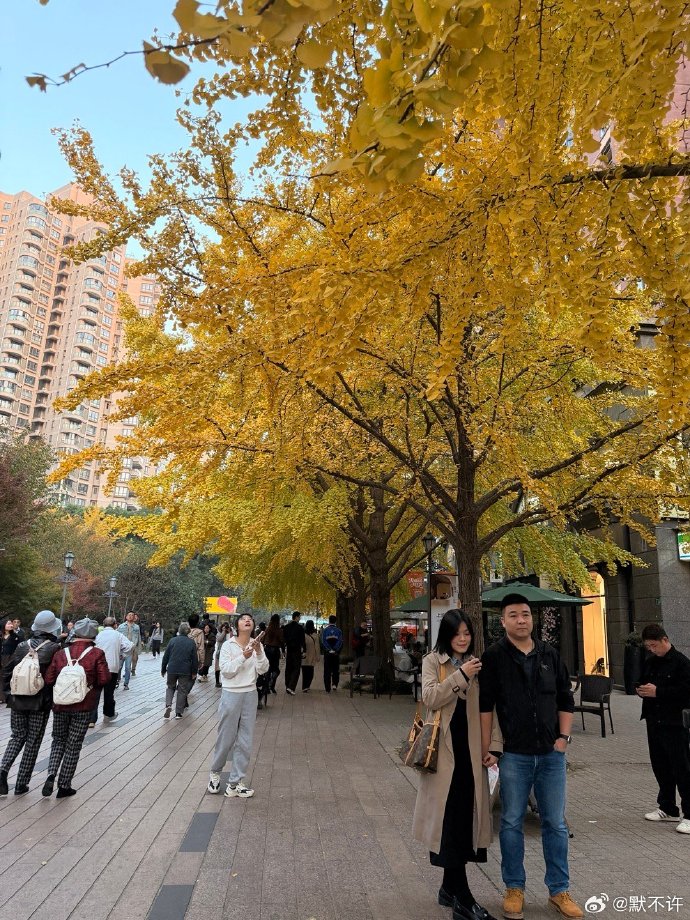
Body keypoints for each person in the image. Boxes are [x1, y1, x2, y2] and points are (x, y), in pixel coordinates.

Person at [479, 594, 583, 920]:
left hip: (551, 755)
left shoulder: (550, 654)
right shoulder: (494, 657)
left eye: (525, 614)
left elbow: (566, 698)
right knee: (511, 821)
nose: (521, 620)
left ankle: (559, 890)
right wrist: (488, 747)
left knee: (555, 823)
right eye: (513, 615)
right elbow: (485, 706)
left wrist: (563, 739)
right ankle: (514, 888)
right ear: (503, 621)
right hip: (514, 755)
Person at [413, 610, 500, 920]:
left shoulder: (478, 664)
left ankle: (449, 888)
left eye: (467, 633)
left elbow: (489, 708)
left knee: (463, 820)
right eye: (457, 633)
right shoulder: (433, 662)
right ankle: (463, 898)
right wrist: (460, 675)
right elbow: (429, 698)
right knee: (449, 823)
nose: (463, 639)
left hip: (471, 756)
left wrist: (495, 746)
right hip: (444, 757)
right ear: (446, 635)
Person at [43, 618, 110, 798]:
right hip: (84, 705)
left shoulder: (61, 653)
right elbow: (104, 679)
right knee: (73, 745)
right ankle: (64, 785)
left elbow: (49, 679)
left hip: (60, 704)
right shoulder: (97, 653)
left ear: (75, 633)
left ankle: (51, 773)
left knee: (58, 740)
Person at [0, 610, 63, 796]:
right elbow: (55, 677)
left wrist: (8, 695)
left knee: (17, 736)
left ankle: (3, 770)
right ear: (52, 628)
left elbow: (7, 671)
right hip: (40, 702)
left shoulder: (22, 645)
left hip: (18, 699)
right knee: (33, 741)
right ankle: (21, 784)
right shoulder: (54, 648)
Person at [207, 613, 269, 798]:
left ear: (253, 625)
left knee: (245, 740)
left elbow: (263, 669)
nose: (247, 620)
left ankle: (235, 783)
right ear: (237, 625)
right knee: (225, 737)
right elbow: (226, 671)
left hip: (250, 693)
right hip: (231, 694)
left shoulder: (257, 645)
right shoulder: (228, 645)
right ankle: (215, 773)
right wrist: (243, 656)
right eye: (243, 619)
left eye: (250, 619)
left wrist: (258, 652)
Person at [637, 624, 690, 834]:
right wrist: (640, 689)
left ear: (665, 640)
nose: (652, 649)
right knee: (661, 766)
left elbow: (686, 692)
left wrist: (658, 692)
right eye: (648, 646)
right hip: (654, 720)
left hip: (674, 723)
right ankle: (668, 807)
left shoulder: (681, 663)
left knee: (682, 768)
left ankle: (689, 813)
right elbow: (642, 680)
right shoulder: (651, 662)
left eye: (654, 645)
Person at [91, 617, 133, 725]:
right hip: (112, 667)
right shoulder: (118, 635)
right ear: (115, 625)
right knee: (109, 692)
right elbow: (130, 646)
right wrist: (122, 655)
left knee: (95, 693)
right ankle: (108, 715)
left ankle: (91, 719)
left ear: (103, 624)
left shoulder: (98, 635)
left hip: (97, 668)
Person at [161, 622, 198, 719]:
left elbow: (166, 656)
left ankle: (168, 705)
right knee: (182, 690)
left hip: (172, 668)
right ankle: (178, 713)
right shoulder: (191, 642)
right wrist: (194, 672)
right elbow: (194, 659)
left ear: (179, 630)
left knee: (170, 687)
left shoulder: (172, 640)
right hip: (185, 670)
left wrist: (163, 669)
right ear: (188, 631)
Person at [282, 611, 306, 696]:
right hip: (297, 650)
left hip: (289, 649)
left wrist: (284, 649)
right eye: (299, 617)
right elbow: (303, 640)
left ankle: (287, 685)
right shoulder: (300, 627)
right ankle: (291, 687)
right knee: (296, 668)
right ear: (296, 617)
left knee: (288, 668)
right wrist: (304, 650)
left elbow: (284, 639)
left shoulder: (286, 627)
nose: (300, 618)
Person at [117, 612, 141, 689]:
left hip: (130, 650)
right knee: (119, 666)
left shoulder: (136, 627)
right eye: (129, 615)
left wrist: (138, 649)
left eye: (132, 615)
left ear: (134, 617)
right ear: (126, 617)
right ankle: (117, 680)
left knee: (128, 668)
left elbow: (138, 638)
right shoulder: (121, 626)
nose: (130, 616)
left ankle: (126, 683)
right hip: (122, 650)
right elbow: (117, 637)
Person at [0, 617, 20, 705]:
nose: (11, 625)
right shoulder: (1, 636)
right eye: (8, 624)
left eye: (11, 623)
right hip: (2, 658)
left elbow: (18, 649)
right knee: (1, 677)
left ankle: (10, 696)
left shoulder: (16, 637)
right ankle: (2, 697)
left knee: (10, 677)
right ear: (3, 625)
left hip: (11, 658)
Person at [321, 615, 343, 692]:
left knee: (327, 670)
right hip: (335, 654)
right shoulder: (339, 631)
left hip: (327, 653)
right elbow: (340, 641)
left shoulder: (325, 630)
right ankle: (334, 684)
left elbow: (323, 641)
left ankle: (327, 688)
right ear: (335, 621)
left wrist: (328, 649)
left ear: (329, 621)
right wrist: (335, 649)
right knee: (335, 669)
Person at [263, 614, 284, 695]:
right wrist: (283, 650)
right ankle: (272, 684)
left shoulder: (267, 629)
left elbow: (262, 640)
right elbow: (282, 641)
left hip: (267, 650)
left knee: (267, 669)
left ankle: (266, 687)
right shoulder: (279, 630)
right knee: (276, 669)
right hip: (275, 650)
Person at [302, 619, 321, 692]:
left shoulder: (303, 635)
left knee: (304, 673)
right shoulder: (315, 635)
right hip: (312, 656)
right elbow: (317, 647)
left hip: (304, 656)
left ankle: (304, 686)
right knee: (310, 673)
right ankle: (307, 685)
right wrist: (318, 657)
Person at [214, 623, 231, 688]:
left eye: (226, 627)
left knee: (227, 667)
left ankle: (226, 682)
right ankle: (217, 682)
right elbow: (219, 639)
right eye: (223, 627)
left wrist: (229, 631)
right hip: (220, 652)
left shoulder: (229, 634)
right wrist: (223, 632)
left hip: (228, 653)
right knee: (217, 667)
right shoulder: (219, 633)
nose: (224, 628)